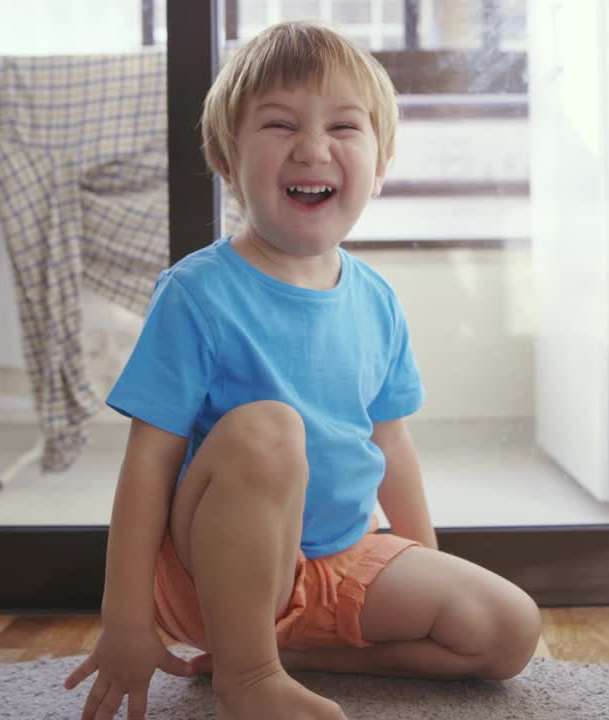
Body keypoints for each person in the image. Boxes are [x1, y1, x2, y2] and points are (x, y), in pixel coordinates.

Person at [64, 20, 541, 720]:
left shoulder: (376, 300)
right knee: (269, 429)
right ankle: (245, 676)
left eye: (344, 128)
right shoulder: (196, 294)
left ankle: (292, 653)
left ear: (379, 165)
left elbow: (392, 446)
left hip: (344, 561)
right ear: (228, 159)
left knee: (508, 630)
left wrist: (425, 563)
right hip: (215, 575)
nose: (313, 148)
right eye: (280, 125)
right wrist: (126, 620)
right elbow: (146, 469)